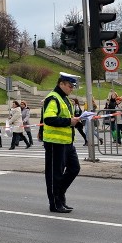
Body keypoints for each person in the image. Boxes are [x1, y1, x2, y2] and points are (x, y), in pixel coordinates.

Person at [42, 73, 81, 213]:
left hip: (67, 142)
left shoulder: (65, 99)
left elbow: (67, 119)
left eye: (73, 87)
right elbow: (49, 119)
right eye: (70, 86)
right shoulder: (53, 98)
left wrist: (76, 121)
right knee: (55, 174)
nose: (72, 89)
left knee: (74, 168)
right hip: (55, 143)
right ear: (62, 84)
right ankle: (55, 203)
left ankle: (59, 193)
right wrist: (69, 121)